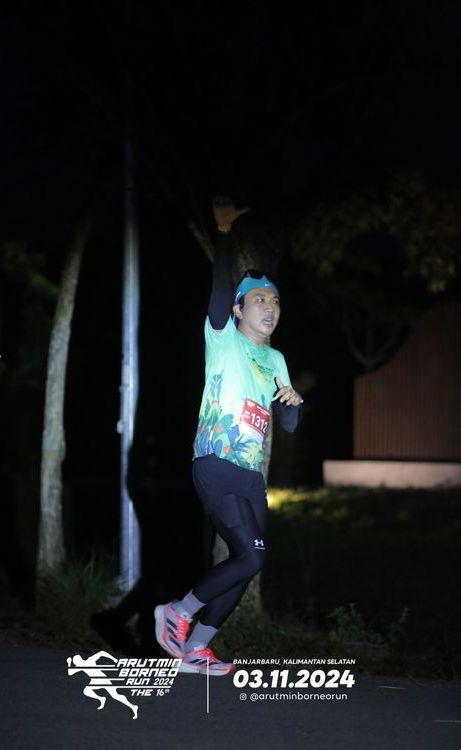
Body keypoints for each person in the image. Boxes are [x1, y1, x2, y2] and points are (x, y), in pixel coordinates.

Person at [154, 197, 303, 676]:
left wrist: (292, 403)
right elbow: (218, 291)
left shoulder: (275, 359)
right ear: (238, 309)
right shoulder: (222, 336)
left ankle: (195, 649)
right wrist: (222, 235)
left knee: (248, 563)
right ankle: (176, 611)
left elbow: (288, 424)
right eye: (260, 300)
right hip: (215, 463)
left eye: (275, 301)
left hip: (251, 476)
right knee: (251, 557)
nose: (270, 307)